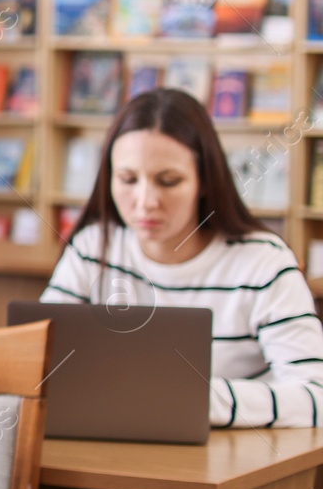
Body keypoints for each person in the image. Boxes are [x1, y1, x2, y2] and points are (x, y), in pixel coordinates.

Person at [41, 88, 323, 428]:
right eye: (128, 179)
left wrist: (194, 399)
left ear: (205, 181)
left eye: (169, 181)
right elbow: (37, 363)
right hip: (114, 452)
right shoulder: (92, 249)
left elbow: (315, 396)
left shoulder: (264, 263)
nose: (145, 201)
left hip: (232, 468)